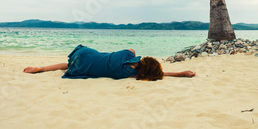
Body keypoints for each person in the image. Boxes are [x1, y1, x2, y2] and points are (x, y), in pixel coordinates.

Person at [23, 44, 195, 81]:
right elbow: (159, 74)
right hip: (88, 66)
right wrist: (180, 74)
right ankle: (40, 68)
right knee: (69, 66)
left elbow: (132, 50)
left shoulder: (129, 54)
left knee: (70, 63)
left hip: (87, 54)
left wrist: (134, 57)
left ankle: (41, 68)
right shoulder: (130, 74)